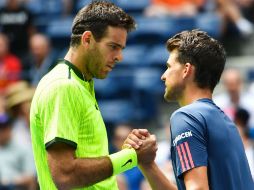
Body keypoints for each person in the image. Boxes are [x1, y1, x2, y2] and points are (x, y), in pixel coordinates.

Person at [29, 1, 157, 190]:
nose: (119, 56)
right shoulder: (64, 86)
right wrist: (132, 157)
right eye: (113, 46)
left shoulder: (80, 83)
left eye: (121, 48)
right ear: (87, 39)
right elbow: (65, 175)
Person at [124, 30, 254, 189]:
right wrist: (147, 165)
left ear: (186, 70)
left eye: (168, 66)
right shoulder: (228, 123)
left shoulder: (186, 117)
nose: (163, 76)